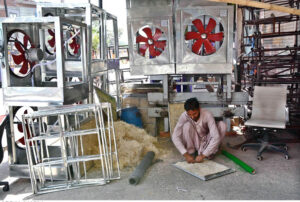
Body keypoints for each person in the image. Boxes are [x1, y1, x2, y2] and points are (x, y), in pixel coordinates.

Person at [172, 97, 226, 163]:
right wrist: (185, 154)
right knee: (186, 126)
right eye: (189, 114)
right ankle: (191, 152)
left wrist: (203, 155)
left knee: (222, 125)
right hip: (195, 141)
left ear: (199, 109)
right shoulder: (184, 116)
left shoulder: (207, 114)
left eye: (194, 113)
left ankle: (209, 153)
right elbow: (175, 136)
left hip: (206, 140)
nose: (192, 117)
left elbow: (215, 137)